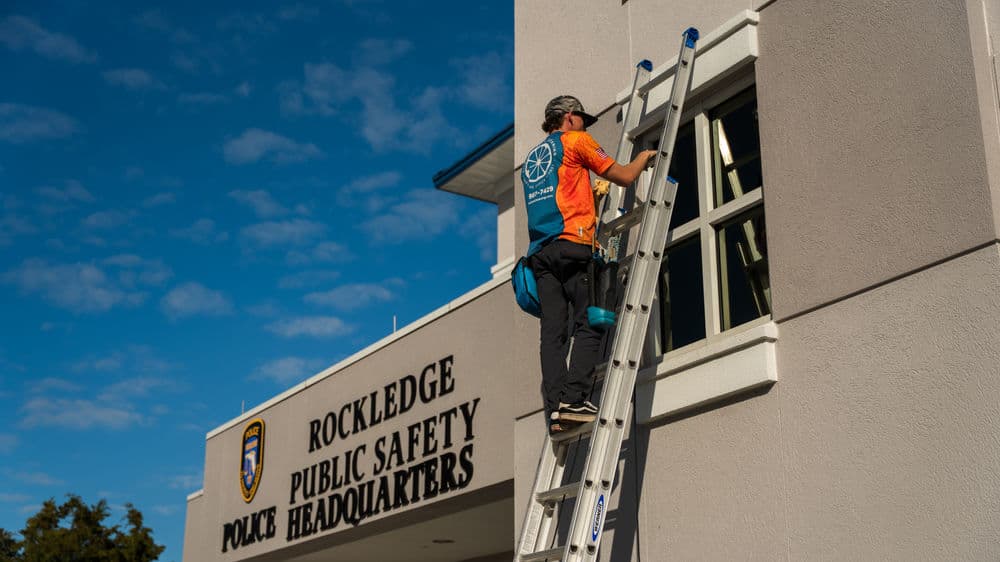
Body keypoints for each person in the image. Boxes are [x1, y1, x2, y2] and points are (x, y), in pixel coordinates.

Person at [522, 95, 657, 435]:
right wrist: (644, 156)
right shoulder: (577, 141)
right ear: (569, 118)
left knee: (552, 334)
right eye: (581, 119)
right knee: (594, 319)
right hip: (573, 244)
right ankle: (575, 400)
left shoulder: (531, 160)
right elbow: (625, 177)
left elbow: (562, 192)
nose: (584, 125)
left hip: (541, 255)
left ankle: (556, 409)